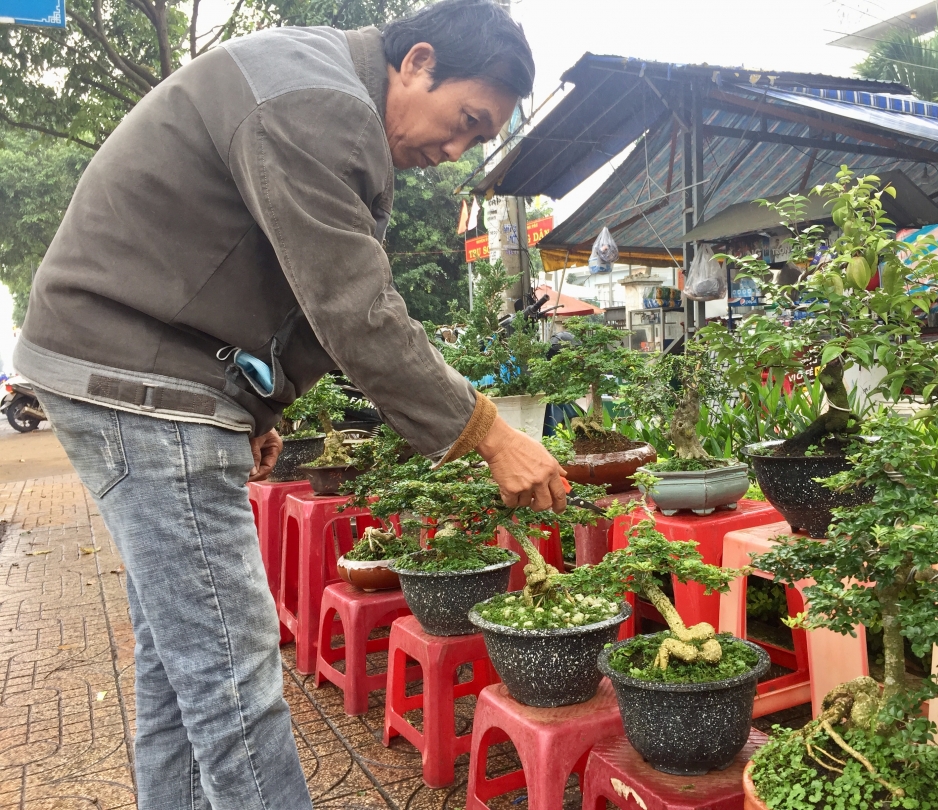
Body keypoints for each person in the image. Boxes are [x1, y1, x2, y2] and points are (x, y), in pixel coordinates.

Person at [14, 1, 565, 807]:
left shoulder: (316, 89)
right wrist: (488, 434)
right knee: (234, 683)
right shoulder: (318, 104)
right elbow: (352, 309)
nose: (453, 151)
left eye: (475, 142)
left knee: (182, 669)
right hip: (140, 381)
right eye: (465, 122)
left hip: (137, 373)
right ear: (416, 63)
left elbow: (284, 288)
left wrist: (257, 413)